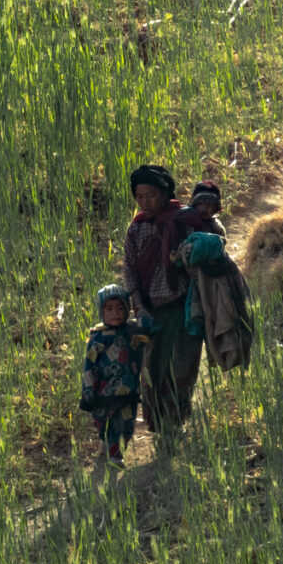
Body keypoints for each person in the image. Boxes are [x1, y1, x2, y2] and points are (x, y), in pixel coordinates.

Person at [120, 163, 204, 435]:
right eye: (139, 197)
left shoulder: (185, 222)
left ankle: (176, 424)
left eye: (151, 196)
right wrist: (140, 308)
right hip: (152, 311)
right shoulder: (136, 230)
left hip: (184, 308)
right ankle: (157, 425)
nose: (145, 202)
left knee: (182, 367)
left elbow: (201, 265)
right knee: (153, 371)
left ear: (165, 193)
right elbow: (130, 270)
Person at [79, 284, 147, 473]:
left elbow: (148, 341)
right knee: (104, 421)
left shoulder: (132, 331)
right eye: (109, 309)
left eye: (120, 308)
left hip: (128, 389)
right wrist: (87, 391)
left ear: (127, 309)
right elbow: (89, 365)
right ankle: (110, 446)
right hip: (103, 391)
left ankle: (115, 450)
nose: (115, 313)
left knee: (126, 423)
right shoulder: (98, 336)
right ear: (101, 311)